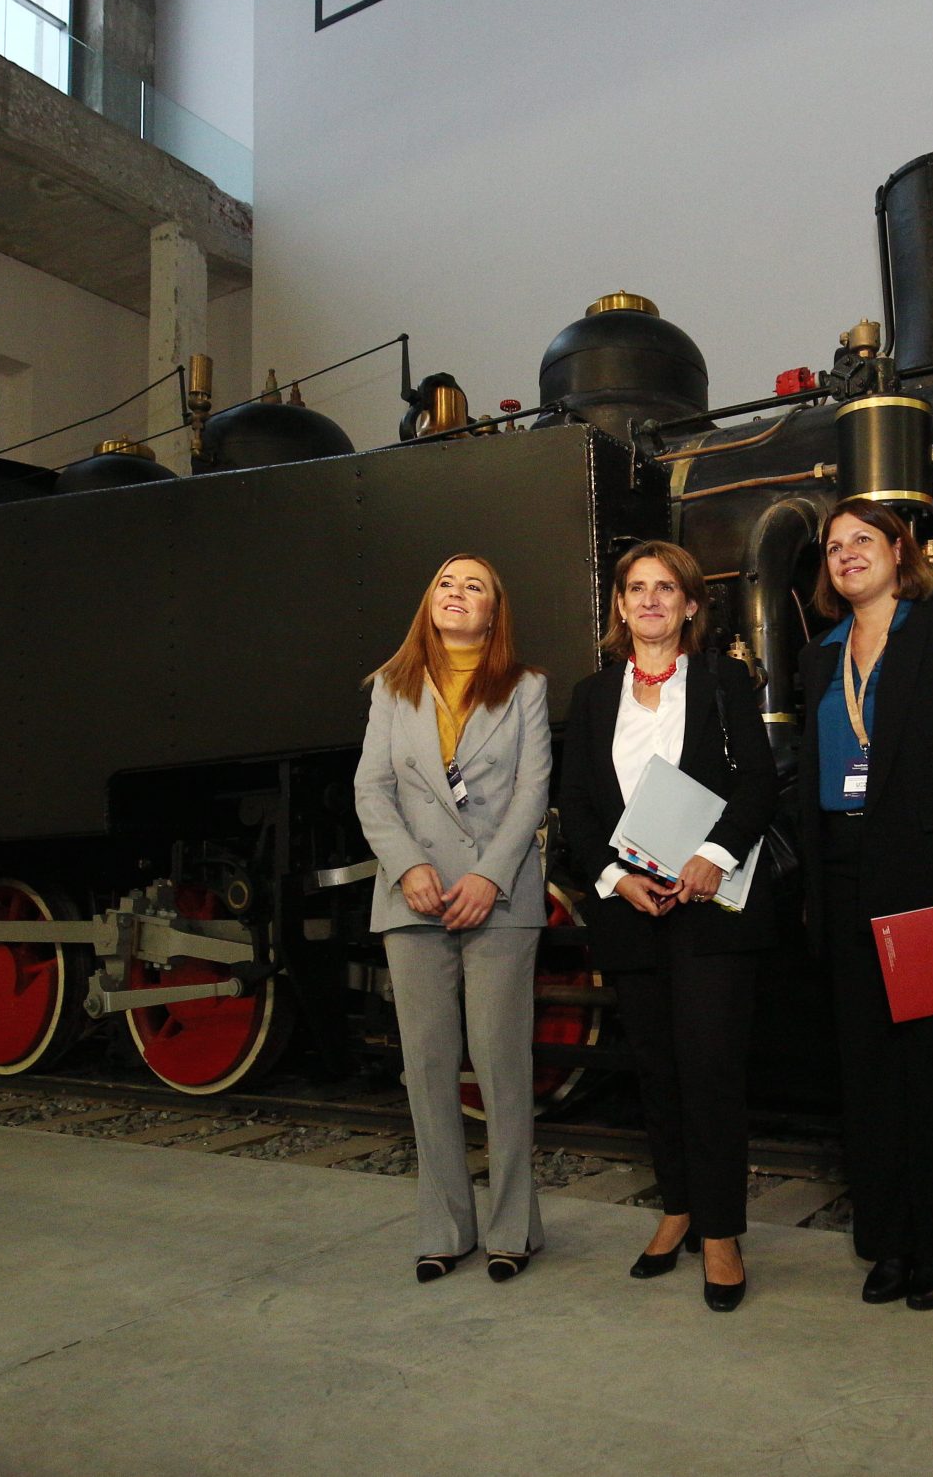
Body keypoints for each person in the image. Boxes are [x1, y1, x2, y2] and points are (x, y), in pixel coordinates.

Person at [798, 497, 933, 1312]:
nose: (846, 553)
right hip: (847, 878)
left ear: (900, 549)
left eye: (863, 540)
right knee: (869, 1075)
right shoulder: (822, 655)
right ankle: (886, 1243)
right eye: (833, 545)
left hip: (931, 876)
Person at [556, 540, 778, 1313]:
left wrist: (715, 853)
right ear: (619, 605)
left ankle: (720, 1230)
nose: (650, 601)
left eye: (667, 589)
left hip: (707, 909)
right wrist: (615, 880)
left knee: (711, 1070)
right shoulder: (591, 696)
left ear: (690, 605)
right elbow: (577, 805)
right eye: (636, 588)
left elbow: (759, 780)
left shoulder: (723, 680)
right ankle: (676, 1208)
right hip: (632, 912)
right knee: (656, 1070)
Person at [353, 553, 553, 1284]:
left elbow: (533, 793)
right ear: (427, 601)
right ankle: (444, 1227)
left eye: (475, 585)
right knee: (428, 1069)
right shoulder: (390, 687)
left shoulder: (525, 688)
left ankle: (511, 1228)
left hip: (495, 896)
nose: (457, 592)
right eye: (445, 581)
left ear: (494, 612)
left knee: (503, 1068)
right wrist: (409, 865)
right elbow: (371, 788)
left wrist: (488, 876)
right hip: (413, 898)